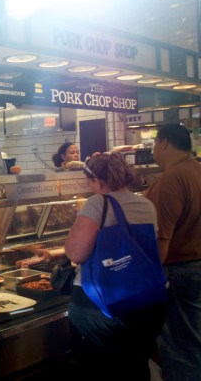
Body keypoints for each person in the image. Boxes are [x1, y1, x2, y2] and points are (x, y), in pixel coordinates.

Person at [64, 152, 166, 380]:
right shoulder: (146, 204)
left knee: (99, 369)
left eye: (89, 181)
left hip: (102, 304)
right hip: (145, 298)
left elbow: (76, 252)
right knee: (134, 364)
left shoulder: (97, 203)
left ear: (97, 180)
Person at [144, 123, 201, 381]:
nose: (154, 148)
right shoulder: (197, 170)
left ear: (164, 143)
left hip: (178, 272)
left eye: (155, 142)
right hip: (195, 269)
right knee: (193, 343)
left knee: (179, 350)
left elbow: (160, 238)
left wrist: (148, 280)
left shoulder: (171, 179)